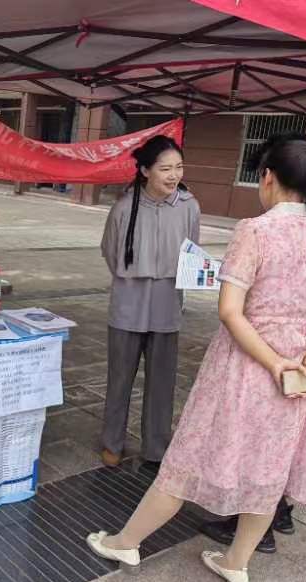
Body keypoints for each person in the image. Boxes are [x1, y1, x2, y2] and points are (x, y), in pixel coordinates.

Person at [86, 136, 306, 582]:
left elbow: (230, 311)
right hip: (297, 377)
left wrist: (273, 360)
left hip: (245, 366)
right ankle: (236, 562)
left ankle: (126, 543)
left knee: (188, 457)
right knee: (269, 470)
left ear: (268, 178)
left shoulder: (256, 230)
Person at [99, 135, 200, 468]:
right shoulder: (124, 206)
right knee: (119, 379)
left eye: (178, 167)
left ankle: (155, 448)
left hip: (167, 305)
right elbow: (111, 251)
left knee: (162, 383)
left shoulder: (189, 206)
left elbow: (192, 254)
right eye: (165, 169)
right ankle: (112, 442)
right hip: (128, 305)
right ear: (145, 171)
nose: (174, 175)